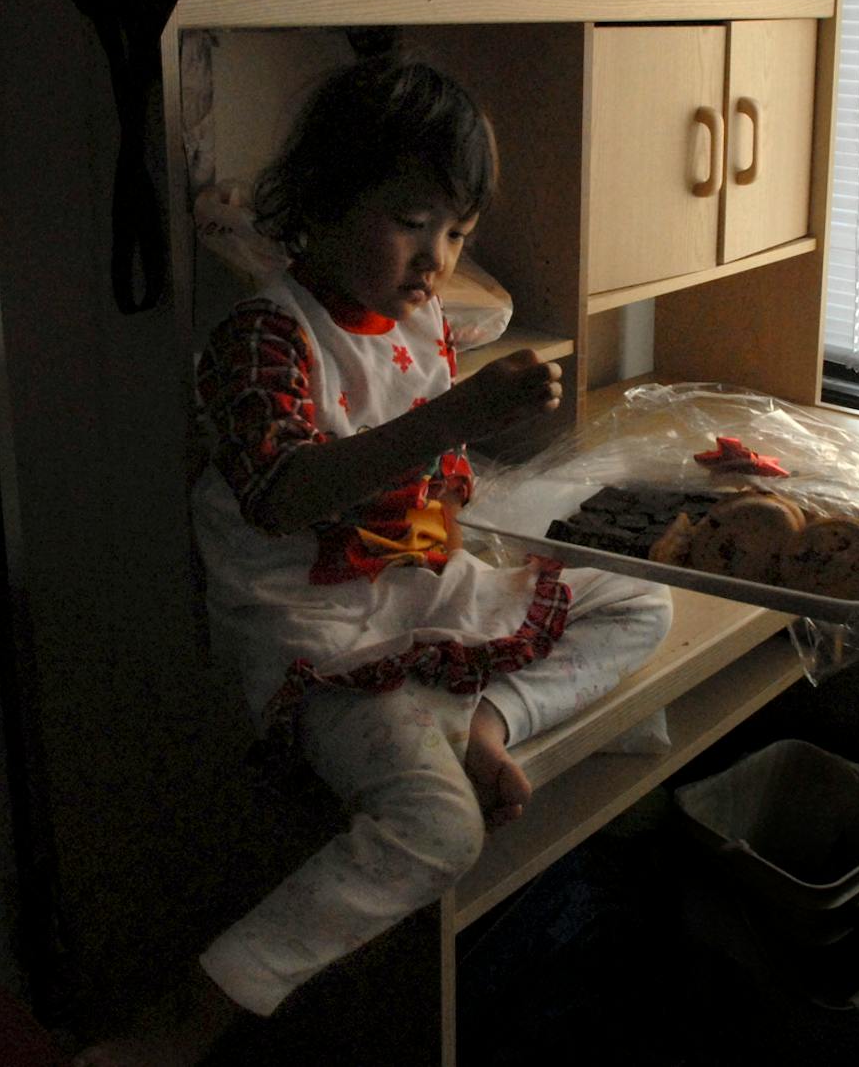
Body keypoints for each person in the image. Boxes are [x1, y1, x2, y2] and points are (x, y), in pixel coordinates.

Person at [77, 58, 672, 1067]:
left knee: (644, 597)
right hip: (316, 635)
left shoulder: (419, 317)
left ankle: (485, 718)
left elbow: (431, 467)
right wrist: (456, 417)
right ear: (321, 200)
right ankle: (202, 1003)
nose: (436, 259)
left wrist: (458, 478)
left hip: (419, 593)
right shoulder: (260, 337)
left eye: (457, 233)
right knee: (443, 834)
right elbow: (282, 494)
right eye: (411, 220)